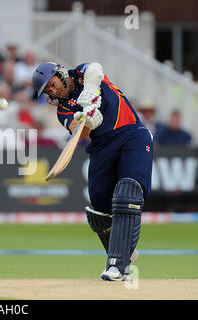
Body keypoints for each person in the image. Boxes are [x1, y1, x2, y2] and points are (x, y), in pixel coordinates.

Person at [33, 61, 153, 281]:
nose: (53, 91)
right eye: (48, 91)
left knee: (128, 192)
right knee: (99, 213)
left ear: (60, 74)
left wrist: (90, 94)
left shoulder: (80, 73)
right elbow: (83, 132)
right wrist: (87, 118)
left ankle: (118, 265)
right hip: (101, 147)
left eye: (52, 84)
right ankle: (124, 250)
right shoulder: (64, 110)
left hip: (131, 134)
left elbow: (95, 69)